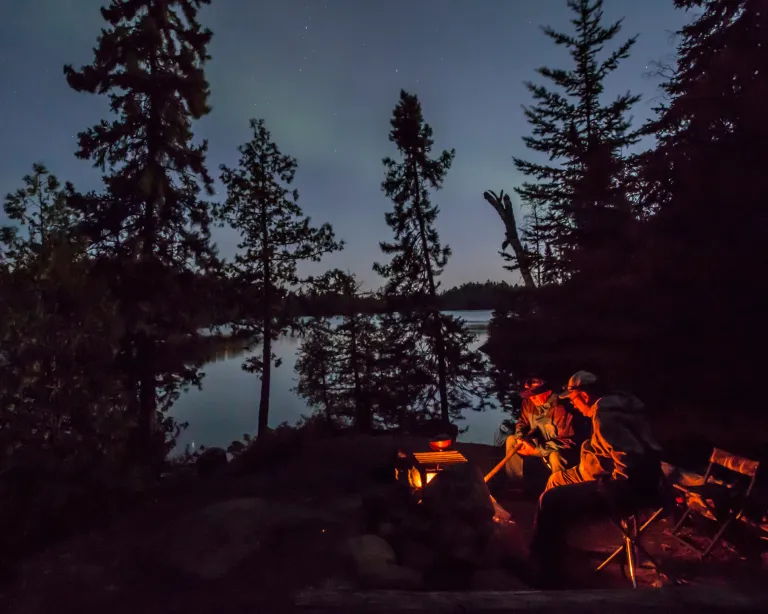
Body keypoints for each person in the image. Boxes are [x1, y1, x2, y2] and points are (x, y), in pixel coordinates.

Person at [527, 370, 663, 588]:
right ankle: (557, 551)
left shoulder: (605, 416)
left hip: (626, 488)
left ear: (584, 396)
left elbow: (629, 460)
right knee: (556, 479)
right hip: (612, 475)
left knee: (549, 501)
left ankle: (548, 571)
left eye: (573, 399)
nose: (573, 405)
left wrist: (603, 488)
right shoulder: (619, 406)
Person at [503, 378, 579, 484]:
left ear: (547, 392)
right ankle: (517, 481)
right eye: (529, 394)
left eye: (535, 394)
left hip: (557, 447)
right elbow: (523, 422)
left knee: (555, 456)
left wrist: (536, 451)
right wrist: (520, 437)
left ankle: (559, 487)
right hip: (538, 443)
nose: (532, 398)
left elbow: (567, 442)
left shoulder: (561, 408)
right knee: (512, 440)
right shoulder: (528, 402)